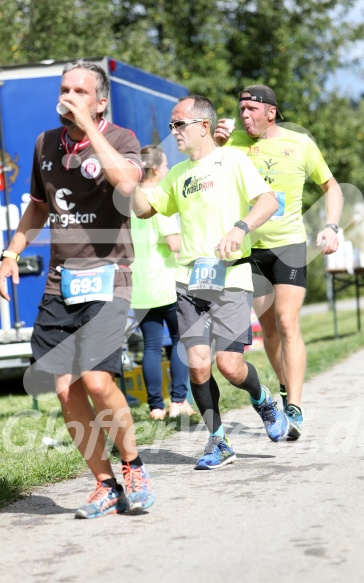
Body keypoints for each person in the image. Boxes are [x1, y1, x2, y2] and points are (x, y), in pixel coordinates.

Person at [0, 60, 154, 518]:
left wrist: (90, 126)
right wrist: (10, 253)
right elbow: (38, 208)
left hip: (110, 275)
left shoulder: (122, 139)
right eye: (65, 89)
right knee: (66, 390)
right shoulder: (45, 143)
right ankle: (105, 484)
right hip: (59, 282)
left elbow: (126, 183)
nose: (69, 97)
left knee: (98, 379)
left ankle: (134, 467)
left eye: (81, 91)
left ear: (101, 100)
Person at [132, 95, 289, 470]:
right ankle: (217, 440)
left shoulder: (232, 160)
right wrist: (129, 178)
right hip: (189, 282)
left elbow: (268, 202)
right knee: (199, 367)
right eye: (171, 126)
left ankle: (262, 397)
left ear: (203, 126)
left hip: (231, 276)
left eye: (178, 125)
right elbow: (143, 209)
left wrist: (241, 227)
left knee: (231, 367)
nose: (174, 133)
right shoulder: (176, 174)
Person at [214, 85, 343, 440]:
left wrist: (331, 226)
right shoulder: (232, 141)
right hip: (249, 250)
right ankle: (285, 389)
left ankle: (295, 407)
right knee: (268, 329)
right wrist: (216, 143)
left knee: (288, 322)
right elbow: (204, 170)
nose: (244, 115)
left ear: (271, 111)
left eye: (251, 109)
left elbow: (331, 186)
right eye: (241, 109)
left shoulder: (300, 144)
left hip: (288, 244)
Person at [131, 144, 193, 420]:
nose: (168, 169)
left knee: (151, 347)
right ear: (155, 169)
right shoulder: (157, 199)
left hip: (139, 286)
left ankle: (156, 407)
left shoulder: (130, 199)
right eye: (166, 165)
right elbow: (173, 243)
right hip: (167, 284)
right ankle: (179, 401)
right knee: (181, 341)